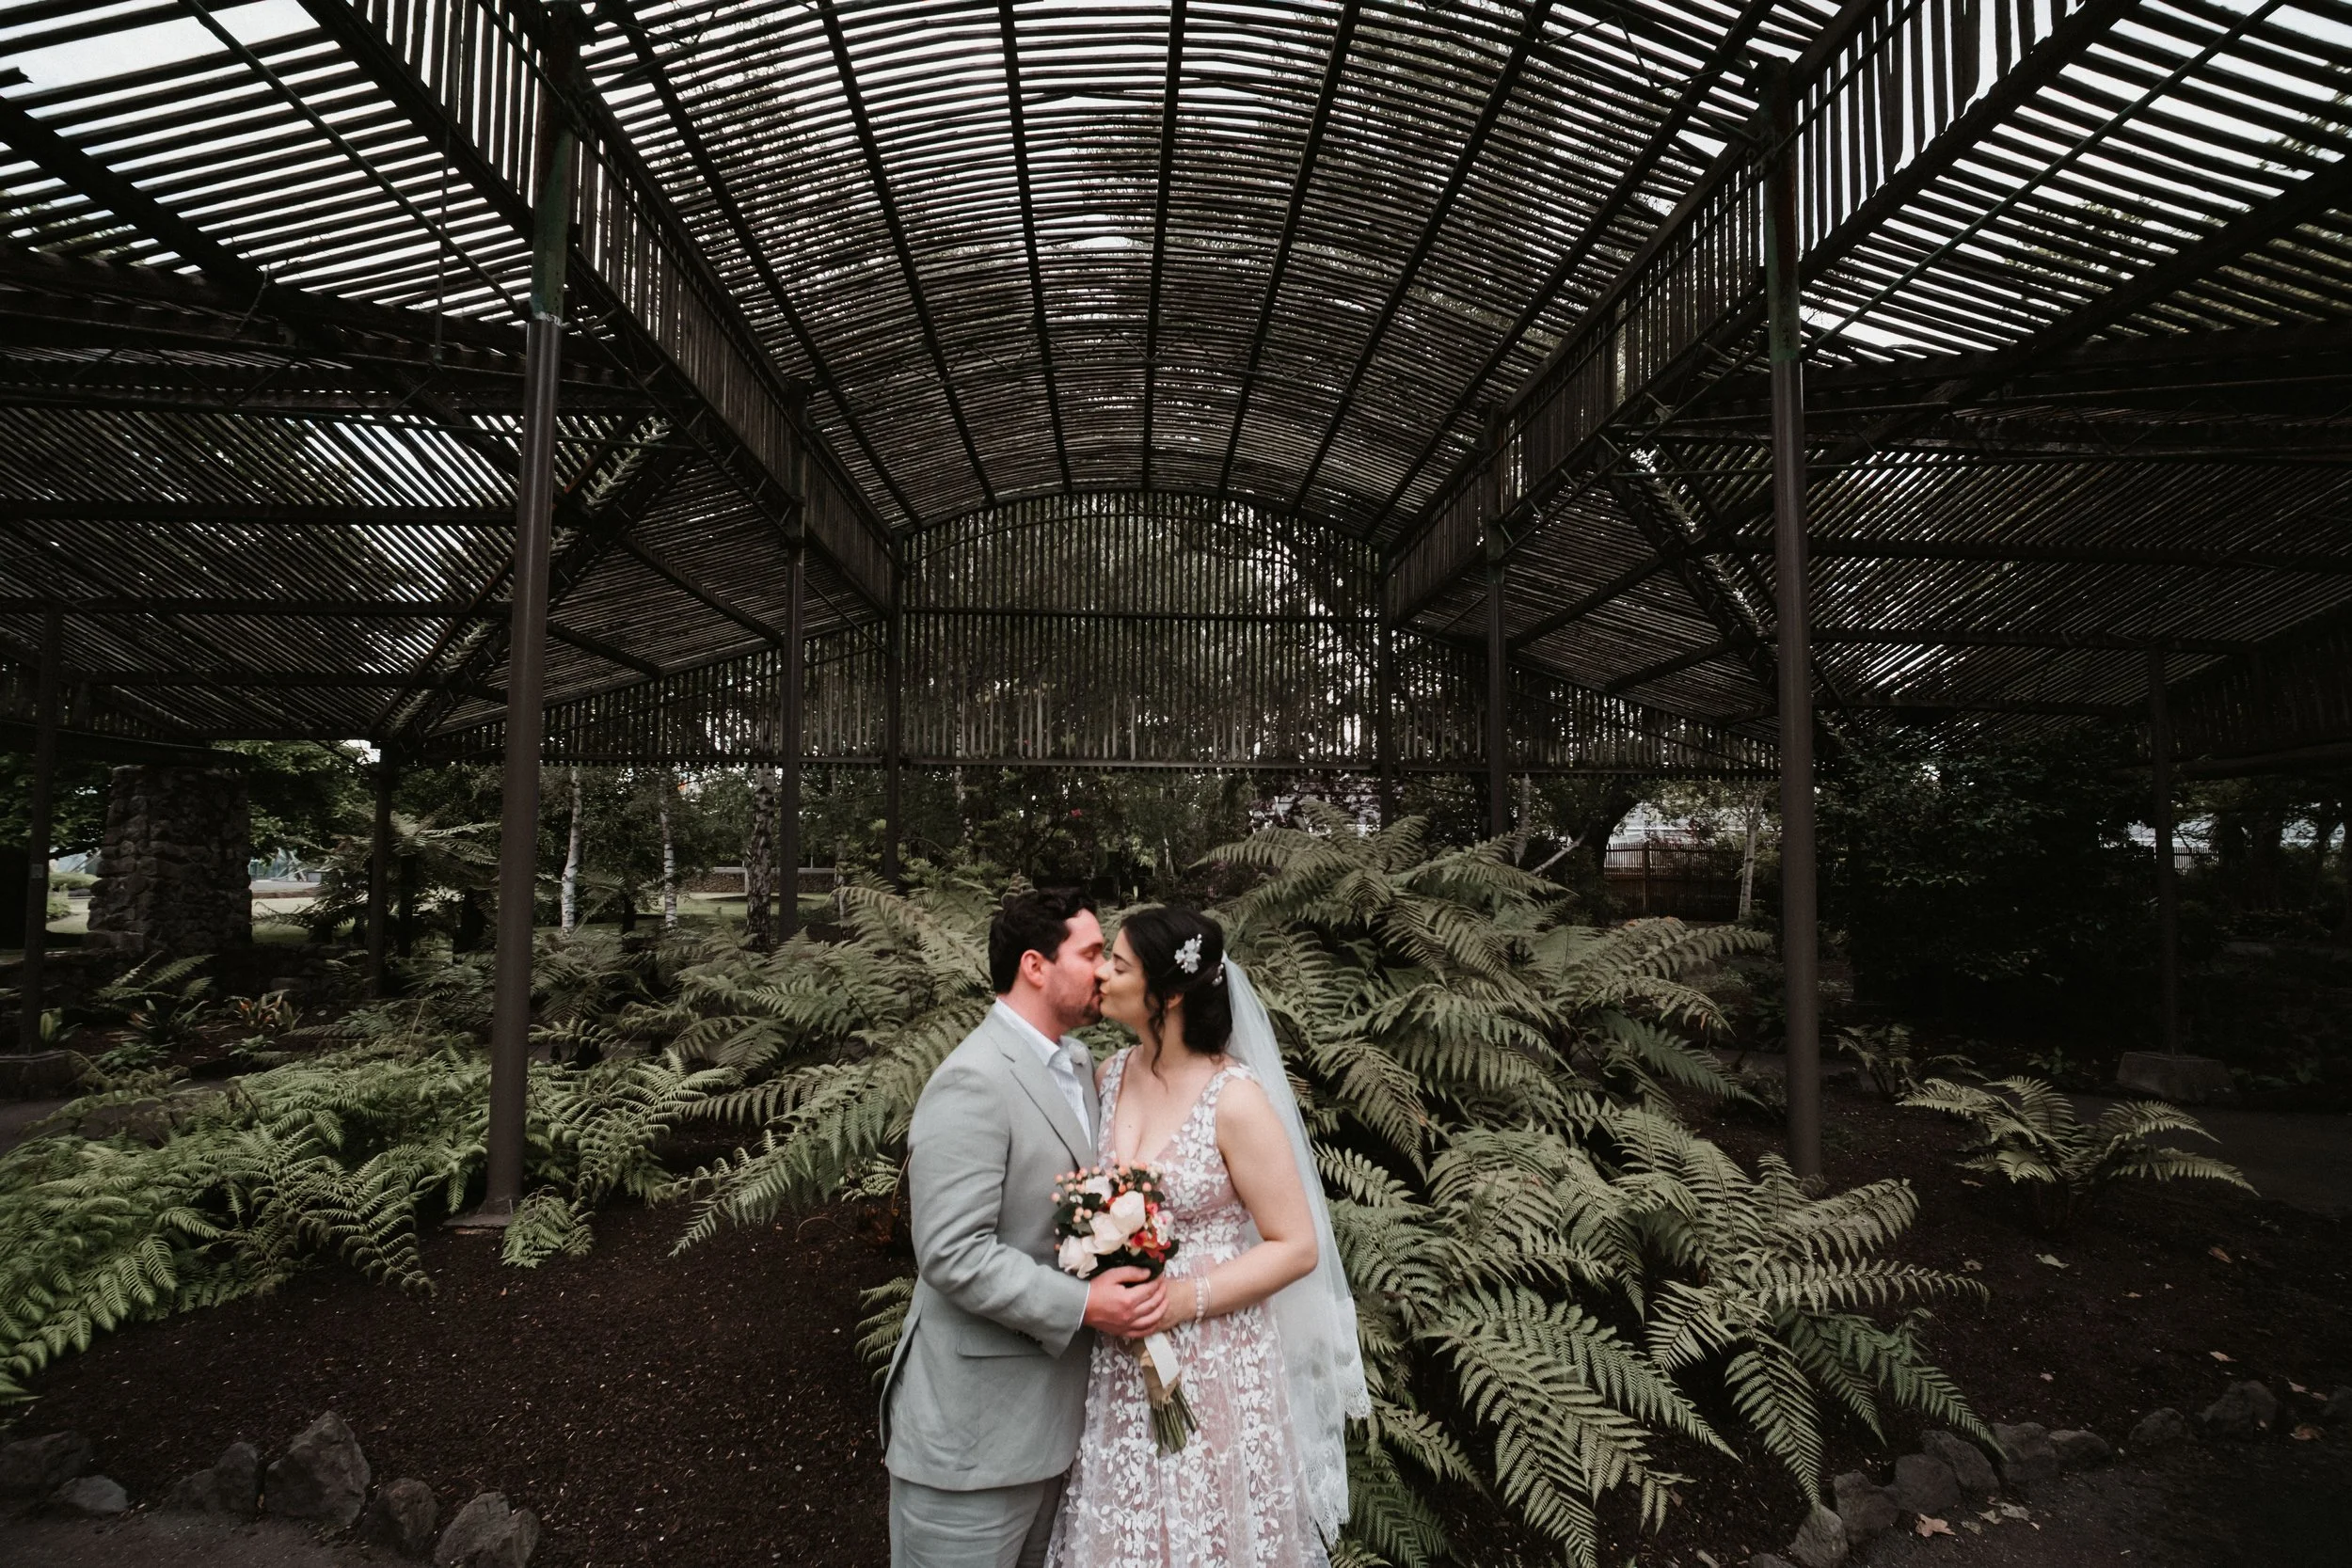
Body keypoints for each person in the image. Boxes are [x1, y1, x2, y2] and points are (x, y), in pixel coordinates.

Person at [1045, 906, 1367, 1568]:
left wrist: (1184, 1298)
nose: (1102, 973)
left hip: (1216, 1358)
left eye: (1120, 964)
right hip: (1123, 1360)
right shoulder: (1108, 1078)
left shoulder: (1235, 1099)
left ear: (1169, 994)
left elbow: (1296, 1244)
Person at [882, 888, 1170, 1568]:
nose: (1104, 970)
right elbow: (952, 1252)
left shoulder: (1077, 1064)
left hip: (1057, 1425)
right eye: (1093, 952)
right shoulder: (973, 1080)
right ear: (1035, 965)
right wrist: (1087, 1304)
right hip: (972, 1439)